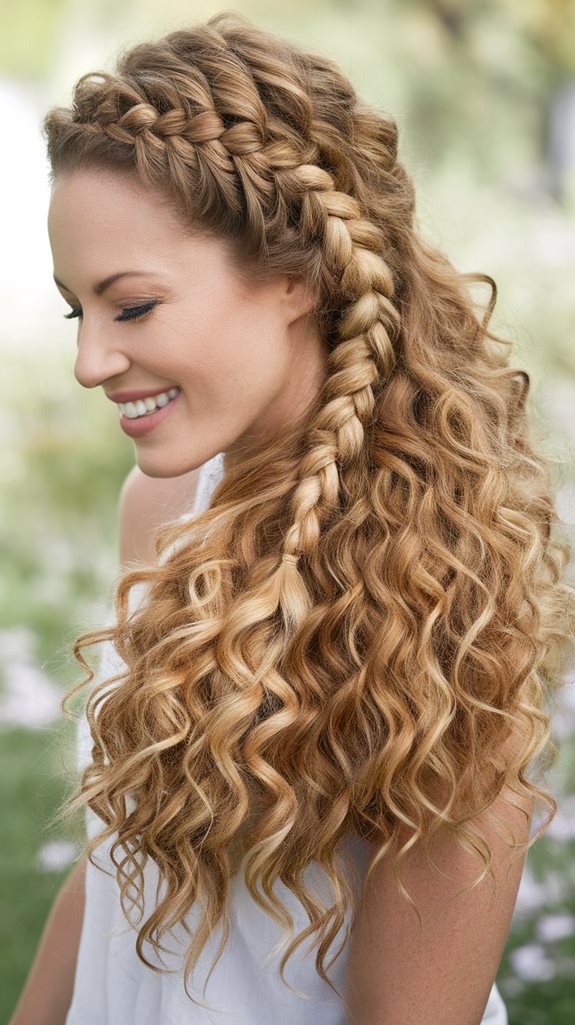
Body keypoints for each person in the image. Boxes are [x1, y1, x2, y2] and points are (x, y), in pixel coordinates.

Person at [9, 11, 575, 1025]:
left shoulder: (439, 609)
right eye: (75, 311)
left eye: (130, 307)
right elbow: (116, 865)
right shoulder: (163, 506)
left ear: (295, 276)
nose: (91, 361)